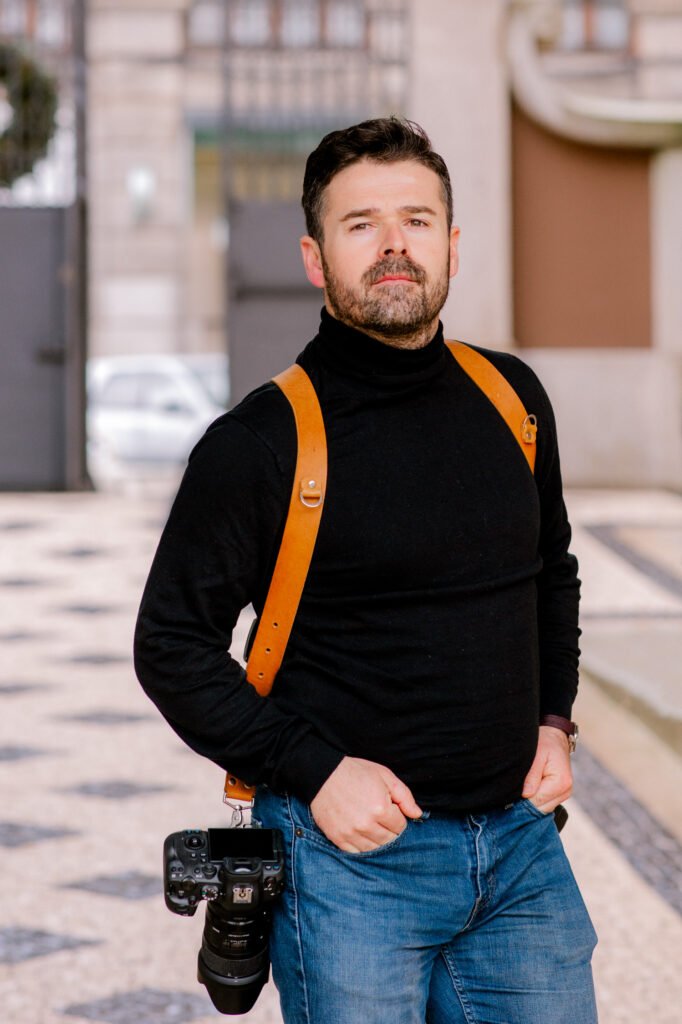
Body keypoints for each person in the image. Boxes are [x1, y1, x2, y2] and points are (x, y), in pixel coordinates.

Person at [135, 117, 598, 1024]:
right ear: (315, 259)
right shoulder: (261, 442)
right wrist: (313, 771)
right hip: (346, 868)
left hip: (520, 854)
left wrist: (554, 722)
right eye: (361, 225)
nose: (394, 244)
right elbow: (171, 647)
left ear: (451, 246)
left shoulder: (513, 400)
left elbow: (551, 572)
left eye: (415, 221)